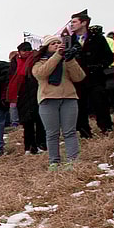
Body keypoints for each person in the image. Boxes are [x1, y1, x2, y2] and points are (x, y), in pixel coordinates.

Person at [32, 36, 85, 168]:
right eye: (53, 44)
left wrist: (70, 59)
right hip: (48, 99)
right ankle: (54, 162)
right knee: (52, 133)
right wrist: (57, 56)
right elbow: (41, 74)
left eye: (58, 43)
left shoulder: (66, 60)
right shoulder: (39, 62)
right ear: (46, 47)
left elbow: (79, 77)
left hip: (69, 98)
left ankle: (73, 160)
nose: (56, 45)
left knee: (70, 131)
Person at [67, 10, 114, 136]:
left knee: (100, 102)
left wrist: (100, 66)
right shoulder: (69, 41)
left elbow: (109, 56)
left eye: (74, 22)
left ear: (84, 23)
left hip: (95, 77)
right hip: (77, 79)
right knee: (80, 106)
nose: (71, 25)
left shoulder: (97, 38)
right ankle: (84, 131)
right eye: (71, 22)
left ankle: (106, 127)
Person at [7, 42, 45, 154]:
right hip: (22, 94)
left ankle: (41, 144)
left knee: (40, 120)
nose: (27, 52)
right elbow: (10, 78)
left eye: (28, 50)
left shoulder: (37, 59)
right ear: (19, 52)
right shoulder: (15, 63)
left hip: (36, 91)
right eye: (24, 50)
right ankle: (29, 146)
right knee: (27, 122)